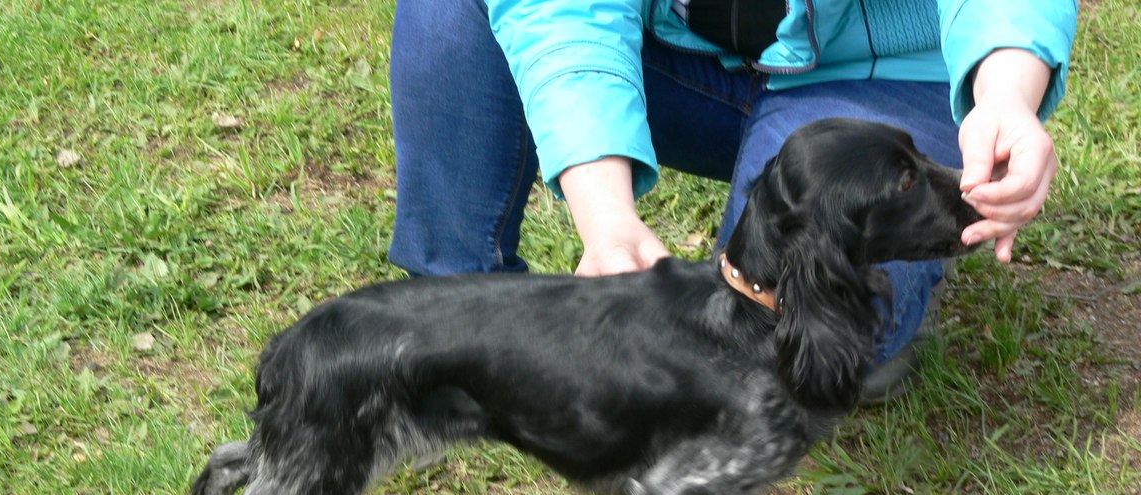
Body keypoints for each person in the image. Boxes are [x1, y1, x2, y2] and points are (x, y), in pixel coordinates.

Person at [387, 0, 1077, 400]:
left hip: (876, 75)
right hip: (672, 54)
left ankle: (880, 297)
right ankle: (451, 331)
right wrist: (605, 215)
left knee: (788, 348)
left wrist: (1004, 95)